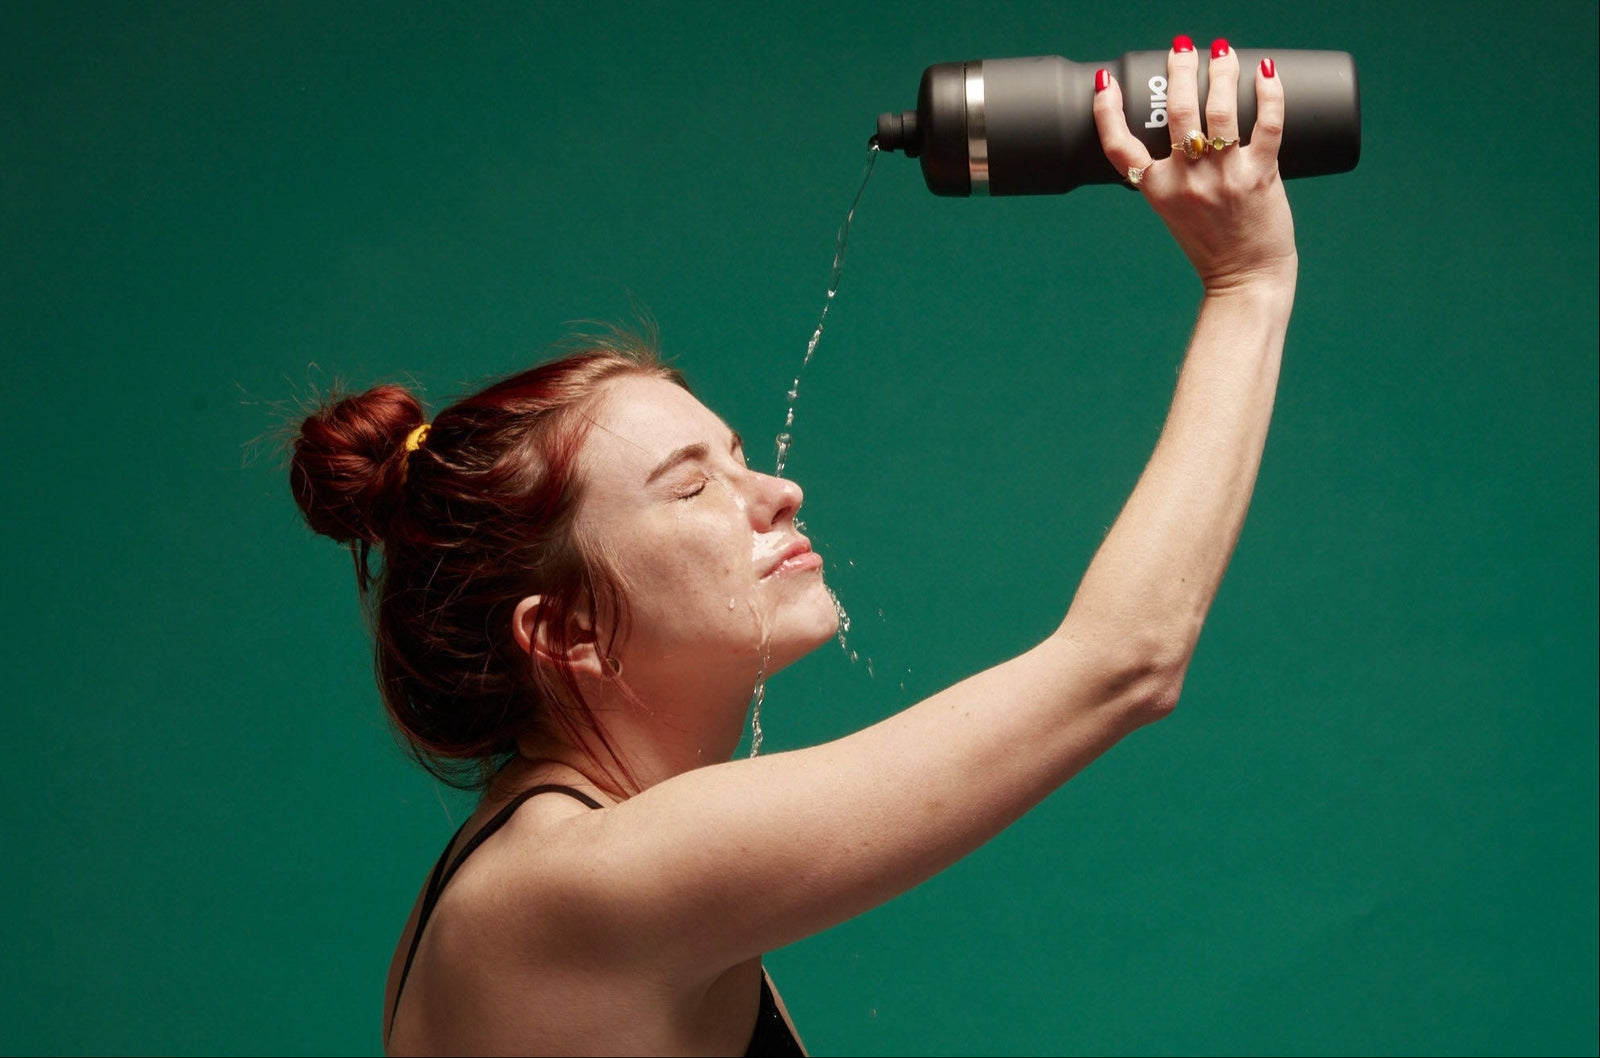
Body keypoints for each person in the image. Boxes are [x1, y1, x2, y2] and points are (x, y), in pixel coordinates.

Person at [290, 38, 1297, 1057]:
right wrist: (1244, 281)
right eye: (693, 484)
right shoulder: (592, 880)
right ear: (566, 629)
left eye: (737, 454)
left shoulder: (558, 862)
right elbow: (1124, 658)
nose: (777, 491)